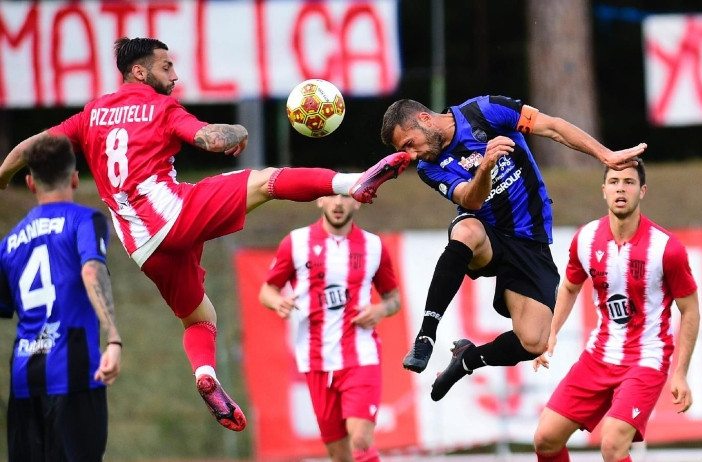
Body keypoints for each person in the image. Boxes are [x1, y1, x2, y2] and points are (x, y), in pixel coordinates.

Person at [0, 37, 409, 432]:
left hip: (141, 246)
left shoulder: (90, 114)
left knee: (200, 318)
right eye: (166, 67)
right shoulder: (160, 107)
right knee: (266, 181)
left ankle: (205, 374)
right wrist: (238, 131)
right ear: (139, 72)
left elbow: (30, 147)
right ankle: (353, 182)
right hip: (172, 213)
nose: (174, 75)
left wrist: (3, 176)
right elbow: (209, 139)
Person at [380, 97, 647, 401]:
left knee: (534, 341)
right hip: (487, 237)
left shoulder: (487, 111)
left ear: (425, 119)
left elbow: (554, 127)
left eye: (410, 144)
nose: (412, 155)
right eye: (404, 151)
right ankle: (426, 335)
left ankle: (466, 359)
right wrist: (486, 167)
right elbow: (471, 200)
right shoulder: (429, 168)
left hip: (529, 239)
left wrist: (605, 155)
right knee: (466, 231)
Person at [531, 158, 699, 462]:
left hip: (646, 359)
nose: (621, 189)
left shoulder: (666, 248)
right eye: (614, 182)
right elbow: (569, 287)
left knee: (612, 444)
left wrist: (681, 374)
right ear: (604, 190)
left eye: (629, 182)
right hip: (599, 355)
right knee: (545, 439)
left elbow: (690, 311)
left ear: (642, 191)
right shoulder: (585, 239)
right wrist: (551, 333)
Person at [0, 134, 122, 461]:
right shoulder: (86, 220)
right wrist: (113, 338)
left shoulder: (9, 243)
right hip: (75, 376)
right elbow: (91, 270)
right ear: (74, 178)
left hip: (24, 380)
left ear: (30, 183)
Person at [259, 194, 401, 462]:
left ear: (357, 201)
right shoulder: (296, 242)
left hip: (360, 356)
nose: (338, 203)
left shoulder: (373, 246)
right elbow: (267, 290)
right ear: (319, 200)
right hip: (316, 360)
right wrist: (278, 302)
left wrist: (380, 310)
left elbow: (394, 298)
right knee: (339, 454)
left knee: (361, 440)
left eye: (346, 196)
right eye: (332, 195)